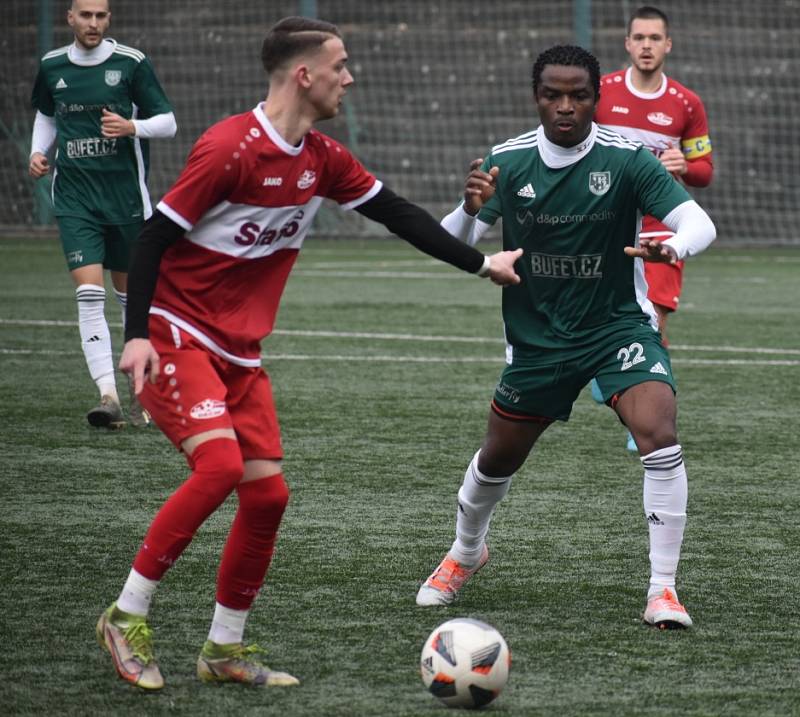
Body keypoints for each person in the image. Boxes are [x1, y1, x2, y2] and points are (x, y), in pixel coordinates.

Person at [95, 16, 523, 691]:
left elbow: (398, 214)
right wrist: (138, 335)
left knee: (267, 495)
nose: (348, 77)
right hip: (178, 334)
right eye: (340, 65)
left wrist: (480, 264)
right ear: (304, 75)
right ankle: (126, 613)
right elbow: (153, 235)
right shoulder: (230, 148)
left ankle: (223, 648)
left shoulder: (322, 156)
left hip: (238, 352)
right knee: (219, 468)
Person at [415, 46, 715, 632]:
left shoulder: (627, 159)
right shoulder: (508, 160)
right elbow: (450, 242)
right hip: (538, 339)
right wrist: (469, 210)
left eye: (578, 95)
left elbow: (697, 221)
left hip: (616, 326)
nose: (566, 106)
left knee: (659, 432)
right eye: (553, 94)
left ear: (594, 99)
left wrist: (671, 246)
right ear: (537, 98)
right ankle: (466, 552)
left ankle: (663, 591)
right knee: (498, 458)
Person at [30, 0, 176, 429]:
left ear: (108, 20)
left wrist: (133, 127)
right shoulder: (52, 65)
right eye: (86, 15)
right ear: (70, 17)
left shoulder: (131, 64)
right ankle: (107, 395)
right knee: (89, 295)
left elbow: (167, 123)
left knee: (132, 300)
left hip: (126, 201)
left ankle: (142, 394)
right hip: (75, 199)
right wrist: (38, 153)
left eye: (101, 16)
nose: (93, 23)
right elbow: (46, 113)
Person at [592, 6, 714, 449]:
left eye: (654, 38)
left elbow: (704, 171)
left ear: (668, 45)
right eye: (639, 37)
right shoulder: (600, 93)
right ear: (627, 44)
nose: (646, 45)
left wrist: (688, 164)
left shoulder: (686, 103)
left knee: (652, 315)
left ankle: (642, 415)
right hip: (605, 222)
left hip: (660, 225)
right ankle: (607, 379)